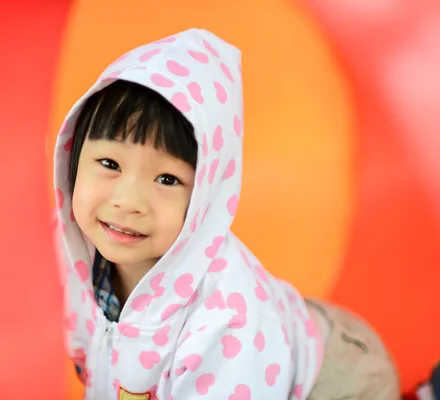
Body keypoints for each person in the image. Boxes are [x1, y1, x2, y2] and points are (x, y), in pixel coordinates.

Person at [53, 28, 400, 399]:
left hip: (337, 378)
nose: (128, 200)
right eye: (109, 163)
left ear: (206, 196)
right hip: (287, 321)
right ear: (74, 159)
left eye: (167, 179)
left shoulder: (229, 323)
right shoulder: (76, 256)